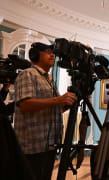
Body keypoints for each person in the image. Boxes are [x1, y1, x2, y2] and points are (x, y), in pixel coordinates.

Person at [14, 42, 77, 180]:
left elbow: (56, 108)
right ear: (34, 55)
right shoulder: (28, 74)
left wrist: (70, 102)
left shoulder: (48, 78)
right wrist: (58, 100)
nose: (52, 55)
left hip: (49, 145)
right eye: (48, 52)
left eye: (53, 52)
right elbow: (24, 104)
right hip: (32, 146)